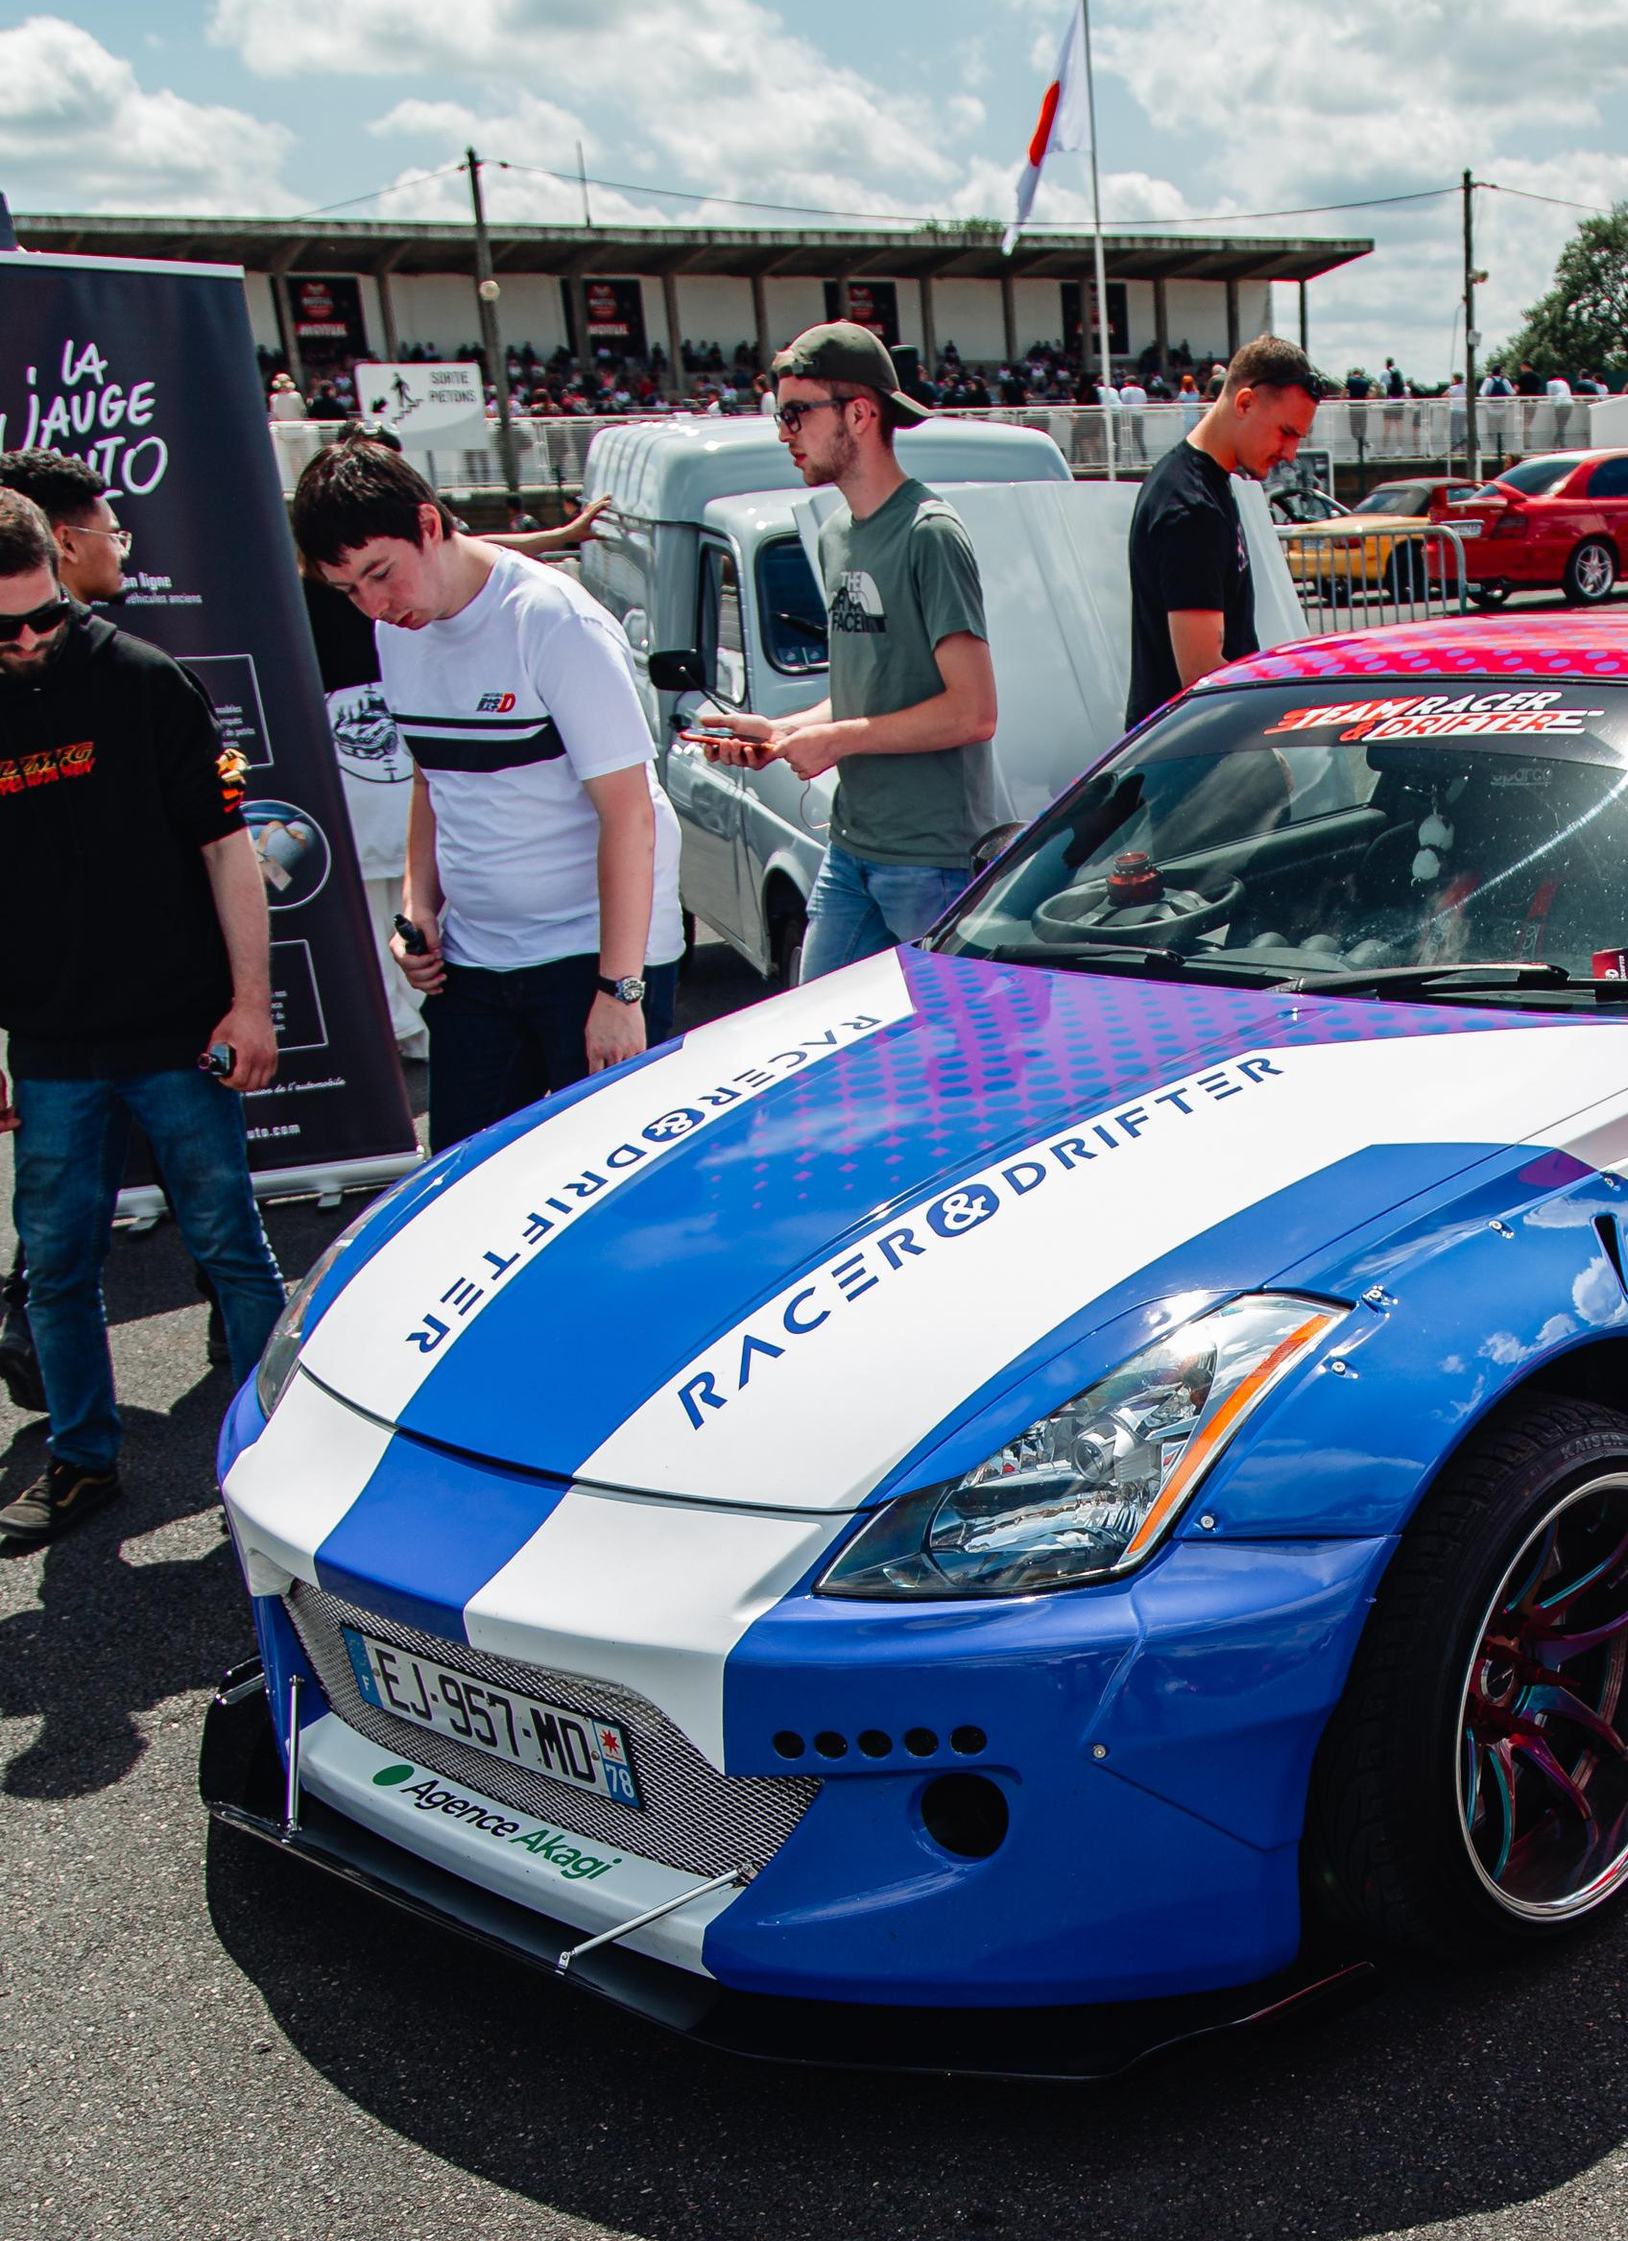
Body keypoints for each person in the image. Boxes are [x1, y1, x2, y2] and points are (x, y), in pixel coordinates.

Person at [0, 491, 285, 1548]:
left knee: (231, 1246)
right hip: (50, 1047)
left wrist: (250, 1002)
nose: (30, 641)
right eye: (6, 630)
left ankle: (276, 1454)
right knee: (57, 1265)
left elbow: (227, 850)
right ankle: (81, 1461)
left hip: (176, 1032)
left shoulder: (144, 681)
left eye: (46, 618)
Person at [288, 442, 683, 1150]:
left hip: (592, 957)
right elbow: (430, 776)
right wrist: (419, 904)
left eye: (381, 574)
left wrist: (621, 990)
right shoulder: (394, 630)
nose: (374, 604)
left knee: (609, 1180)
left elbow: (630, 813)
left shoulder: (553, 620)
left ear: (430, 524)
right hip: (474, 962)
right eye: (348, 590)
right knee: (463, 1181)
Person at [688, 322, 999, 976]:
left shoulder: (930, 533)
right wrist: (779, 729)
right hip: (852, 846)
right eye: (780, 415)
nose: (783, 433)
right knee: (818, 1038)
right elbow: (869, 694)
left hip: (931, 861)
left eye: (796, 413)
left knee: (957, 1063)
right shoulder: (836, 535)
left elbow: (974, 712)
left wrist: (837, 741)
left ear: (860, 414)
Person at [0, 453, 140, 1409]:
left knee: (219, 1220)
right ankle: (51, 1369)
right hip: (57, 1025)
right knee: (57, 1227)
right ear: (64, 542)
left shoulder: (139, 671)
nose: (120, 550)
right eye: (107, 531)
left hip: (169, 1004)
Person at [1123, 332, 1325, 728]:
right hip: (1193, 758)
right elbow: (1203, 676)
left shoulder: (1197, 484)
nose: (1290, 453)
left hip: (1189, 750)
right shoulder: (1191, 506)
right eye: (1286, 432)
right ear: (1245, 402)